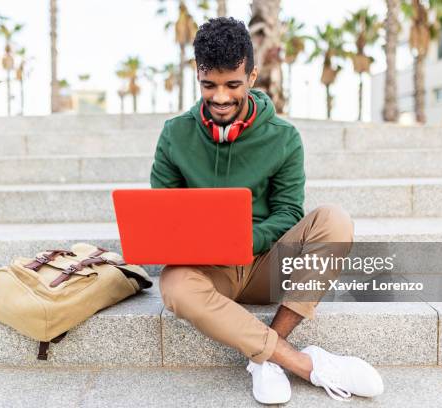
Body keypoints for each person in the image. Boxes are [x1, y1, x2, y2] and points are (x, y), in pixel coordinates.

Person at [150, 17, 383, 404]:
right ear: (197, 75)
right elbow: (163, 213)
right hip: (210, 269)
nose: (221, 97)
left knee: (334, 221)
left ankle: (267, 356)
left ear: (252, 76)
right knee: (174, 286)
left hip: (265, 264)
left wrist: (242, 239)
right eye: (209, 85)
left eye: (232, 84)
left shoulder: (285, 138)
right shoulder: (174, 135)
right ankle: (297, 363)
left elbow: (290, 213)